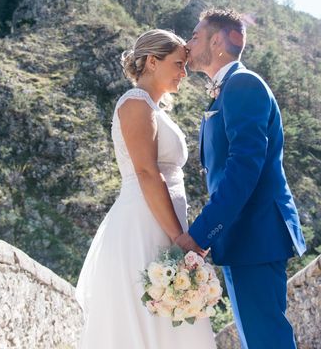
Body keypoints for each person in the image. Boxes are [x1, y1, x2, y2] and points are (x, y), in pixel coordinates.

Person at [75, 29, 216, 348]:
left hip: (164, 224)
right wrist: (180, 238)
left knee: (170, 323)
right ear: (152, 61)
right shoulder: (135, 103)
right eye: (179, 64)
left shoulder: (155, 109)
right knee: (145, 321)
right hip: (144, 225)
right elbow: (147, 173)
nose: (184, 72)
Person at [176, 8, 307, 349]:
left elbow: (243, 169)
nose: (188, 45)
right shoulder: (227, 90)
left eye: (194, 36)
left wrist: (200, 234)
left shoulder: (243, 85)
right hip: (242, 237)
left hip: (256, 233)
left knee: (267, 341)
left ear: (217, 41)